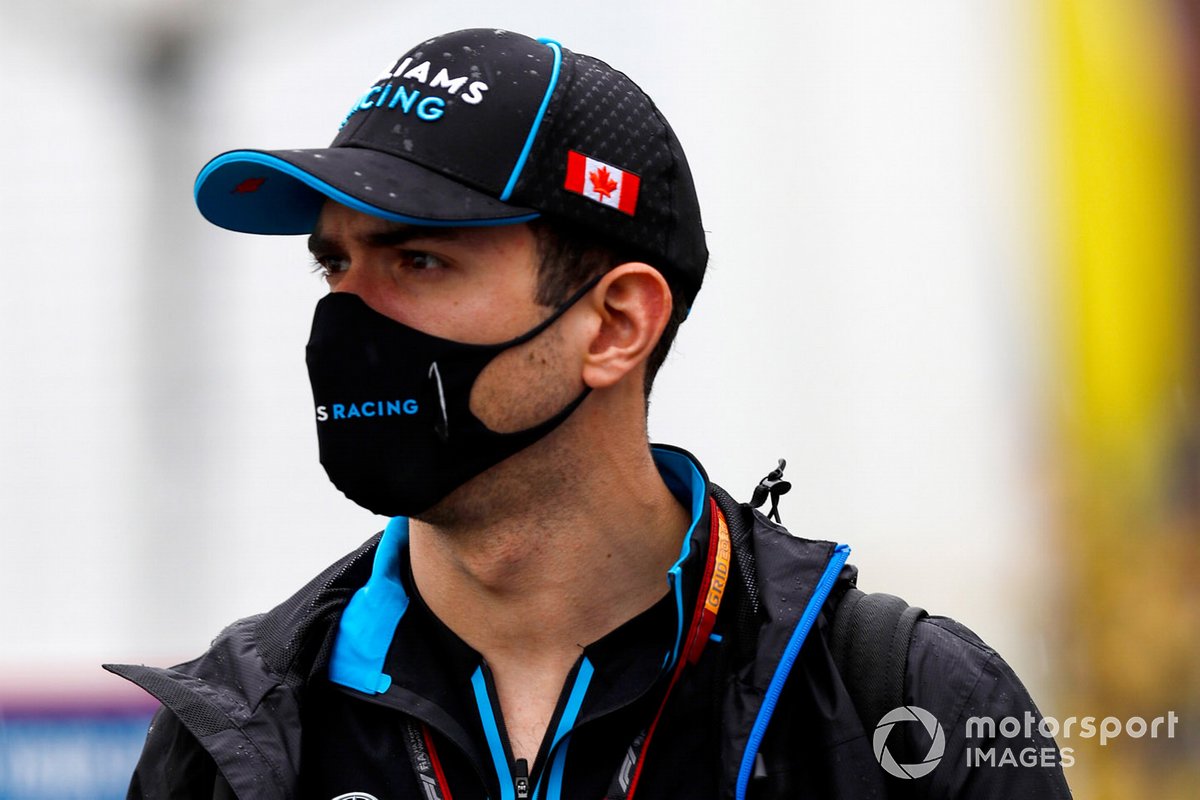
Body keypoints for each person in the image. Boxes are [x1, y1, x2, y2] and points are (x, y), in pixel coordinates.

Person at [107, 28, 1072, 800]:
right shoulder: (236, 734)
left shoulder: (901, 706)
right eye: (334, 264)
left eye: (419, 260)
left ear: (615, 324)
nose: (347, 316)